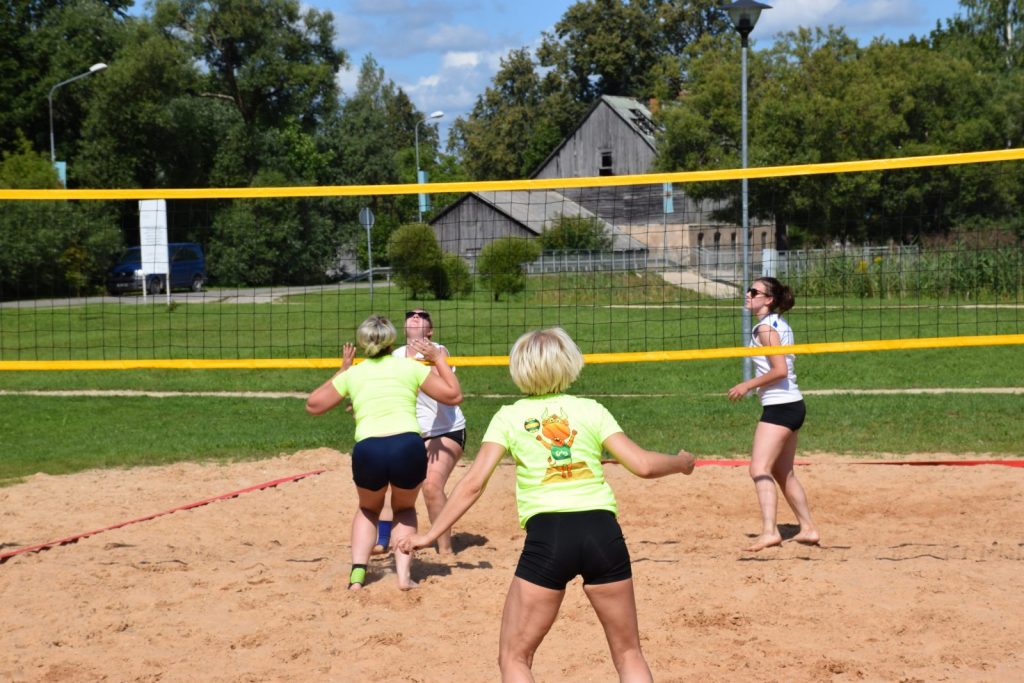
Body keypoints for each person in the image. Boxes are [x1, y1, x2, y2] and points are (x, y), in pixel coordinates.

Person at [399, 327, 695, 682]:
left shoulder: (508, 416)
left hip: (549, 538)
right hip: (603, 535)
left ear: (518, 369)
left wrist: (430, 534)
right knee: (629, 653)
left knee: (515, 658)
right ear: (569, 363)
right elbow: (643, 465)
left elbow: (473, 484)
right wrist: (681, 463)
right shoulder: (590, 409)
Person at [306, 315, 462, 590]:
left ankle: (357, 576)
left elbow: (313, 405)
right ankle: (403, 577)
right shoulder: (410, 367)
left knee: (368, 509)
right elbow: (453, 396)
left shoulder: (354, 374)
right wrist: (438, 359)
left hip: (370, 449)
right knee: (404, 508)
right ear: (392, 341)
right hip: (407, 446)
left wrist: (342, 370)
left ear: (362, 342)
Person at [728, 277, 820, 552]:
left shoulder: (765, 329)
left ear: (768, 300)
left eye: (754, 291)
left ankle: (770, 532)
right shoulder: (778, 323)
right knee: (783, 472)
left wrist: (747, 385)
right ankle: (808, 528)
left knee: (759, 469)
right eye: (748, 290)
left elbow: (779, 370)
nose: (748, 294)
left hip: (781, 407)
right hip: (792, 404)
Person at [372, 308, 468, 556]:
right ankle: (382, 540)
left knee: (431, 485)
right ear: (404, 327)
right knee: (390, 485)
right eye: (410, 315)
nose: (415, 317)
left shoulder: (438, 351)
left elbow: (446, 392)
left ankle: (445, 550)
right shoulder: (395, 356)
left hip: (445, 431)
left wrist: (427, 363)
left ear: (430, 330)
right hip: (410, 433)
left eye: (422, 315)